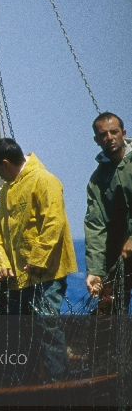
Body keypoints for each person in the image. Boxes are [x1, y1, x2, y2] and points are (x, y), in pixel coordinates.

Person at [0, 138, 76, 381]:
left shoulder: (44, 180)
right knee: (24, 329)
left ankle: (59, 383)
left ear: (5, 163)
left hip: (46, 272)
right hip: (20, 275)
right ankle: (32, 382)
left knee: (46, 323)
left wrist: (39, 258)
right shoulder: (8, 188)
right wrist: (2, 262)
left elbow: (54, 221)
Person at [84, 112, 132, 312]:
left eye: (114, 132)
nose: (110, 138)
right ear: (97, 140)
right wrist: (95, 270)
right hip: (119, 257)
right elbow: (95, 225)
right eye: (103, 134)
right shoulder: (97, 180)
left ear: (124, 133)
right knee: (110, 309)